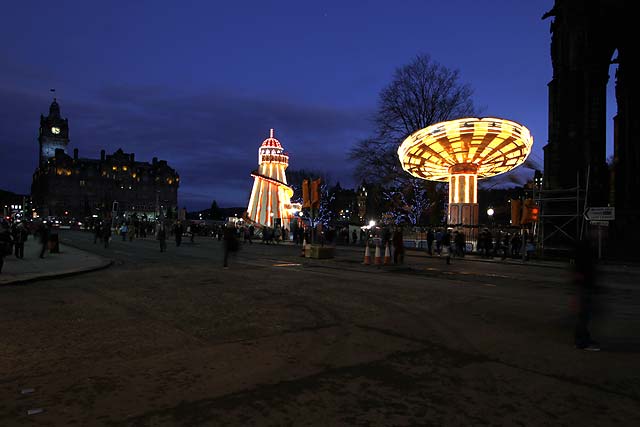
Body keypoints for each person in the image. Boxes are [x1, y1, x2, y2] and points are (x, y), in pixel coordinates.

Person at [573, 238, 600, 351]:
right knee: (584, 316)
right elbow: (580, 274)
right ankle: (582, 342)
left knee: (585, 316)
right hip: (585, 289)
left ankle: (584, 339)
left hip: (586, 288)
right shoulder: (584, 257)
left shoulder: (584, 256)